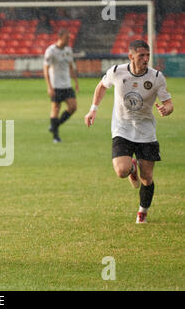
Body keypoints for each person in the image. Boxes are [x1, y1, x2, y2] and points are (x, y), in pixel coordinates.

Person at [84, 40, 173, 224]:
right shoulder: (117, 71)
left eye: (148, 55)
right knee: (121, 171)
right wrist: (93, 109)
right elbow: (101, 86)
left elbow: (168, 102)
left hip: (146, 132)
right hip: (122, 128)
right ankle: (131, 166)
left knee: (147, 177)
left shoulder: (156, 77)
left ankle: (143, 211)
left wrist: (167, 109)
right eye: (142, 55)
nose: (146, 59)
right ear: (131, 56)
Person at [43, 28, 79, 143]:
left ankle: (55, 125)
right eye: (67, 37)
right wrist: (49, 87)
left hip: (67, 85)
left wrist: (76, 82)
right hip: (56, 85)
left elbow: (70, 67)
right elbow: (45, 69)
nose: (69, 39)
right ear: (60, 37)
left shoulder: (68, 50)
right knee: (56, 109)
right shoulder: (51, 51)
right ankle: (56, 137)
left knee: (73, 107)